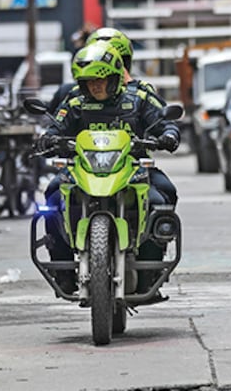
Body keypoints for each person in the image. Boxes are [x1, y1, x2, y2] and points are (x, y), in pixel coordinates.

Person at [39, 41, 180, 294]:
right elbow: (55, 127)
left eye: (101, 80)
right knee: (52, 198)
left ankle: (151, 268)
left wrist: (168, 135)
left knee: (163, 196)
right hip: (81, 171)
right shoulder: (74, 103)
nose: (95, 85)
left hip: (133, 170)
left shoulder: (139, 98)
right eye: (89, 81)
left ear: (116, 78)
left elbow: (163, 122)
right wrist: (47, 138)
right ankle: (62, 271)